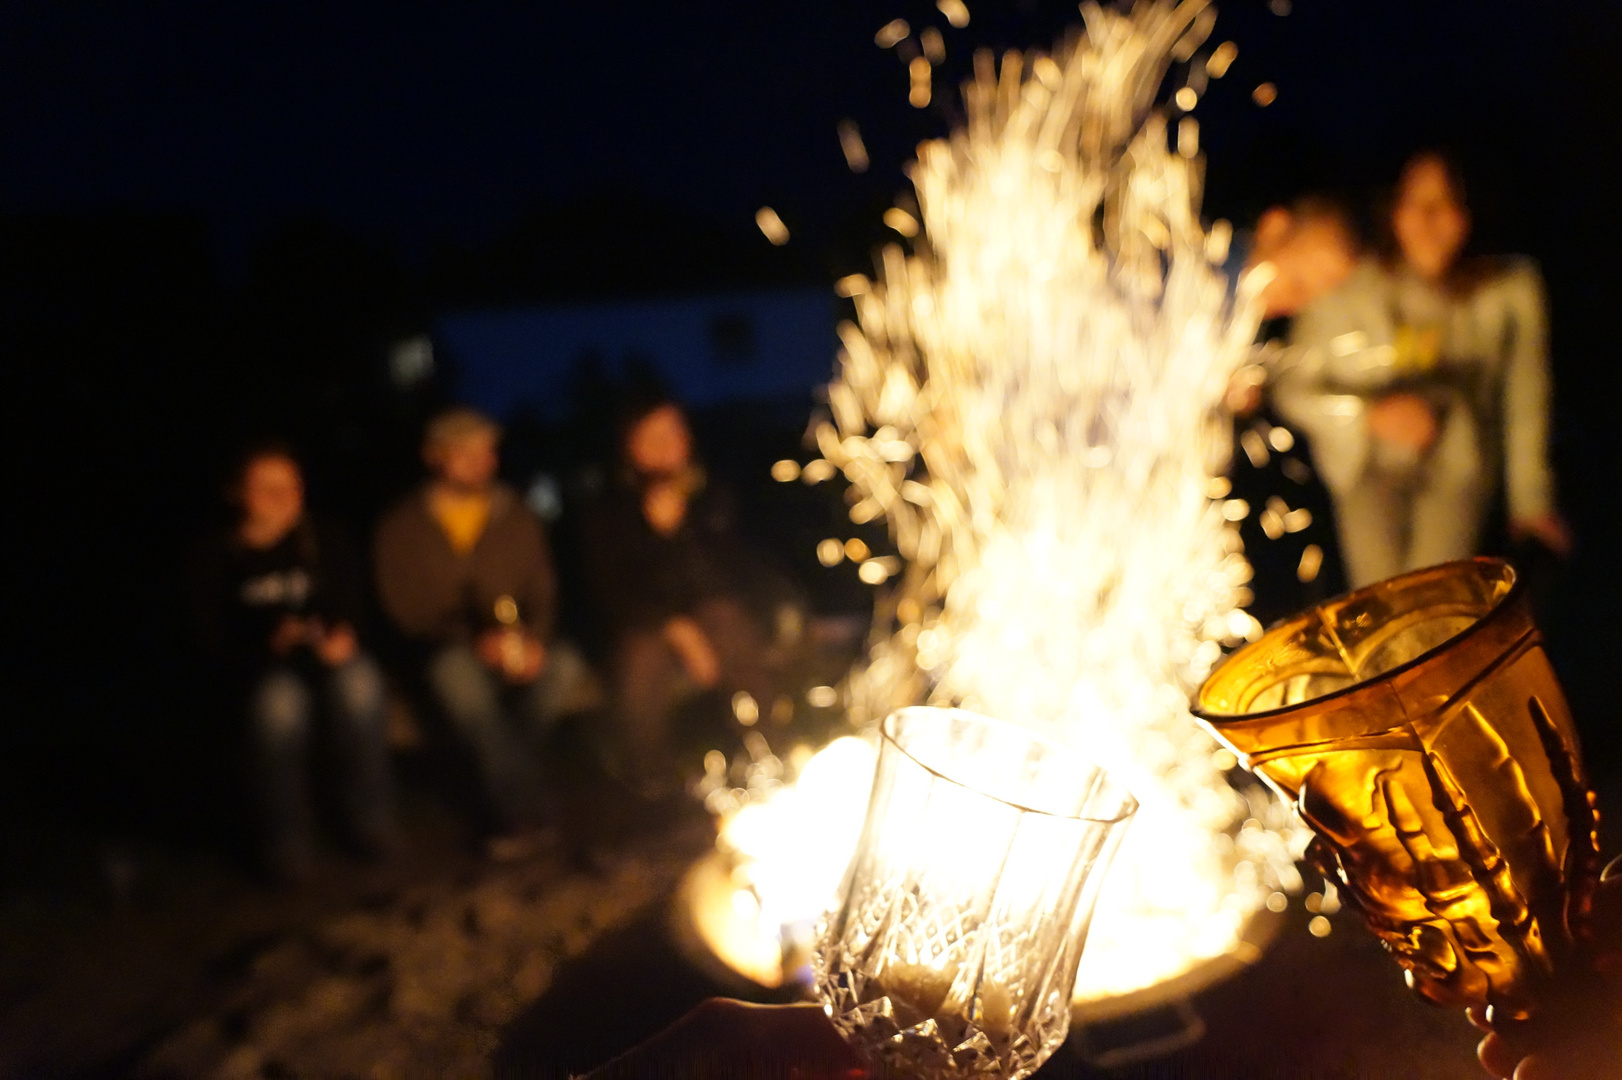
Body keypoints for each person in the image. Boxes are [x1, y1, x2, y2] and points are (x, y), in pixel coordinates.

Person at [1278, 152, 1569, 588]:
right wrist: (1368, 414)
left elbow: (1526, 392)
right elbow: (1289, 385)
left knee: (1432, 598)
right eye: (1416, 201)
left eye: (1446, 201)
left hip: (1459, 463)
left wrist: (1532, 501)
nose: (1429, 220)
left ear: (1470, 212)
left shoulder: (1508, 290)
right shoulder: (1347, 287)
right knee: (1381, 602)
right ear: (1393, 209)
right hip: (1367, 469)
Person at [374, 407, 594, 855]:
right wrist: (474, 641)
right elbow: (405, 611)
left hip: (514, 645)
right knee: (458, 676)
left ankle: (500, 795)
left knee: (567, 665)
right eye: (466, 452)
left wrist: (532, 638)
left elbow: (542, 589)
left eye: (487, 451)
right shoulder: (402, 527)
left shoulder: (516, 516)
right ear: (435, 457)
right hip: (443, 654)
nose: (482, 462)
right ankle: (522, 816)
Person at [193, 444, 396, 882]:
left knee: (360, 684)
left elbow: (354, 607)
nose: (282, 498)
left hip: (327, 663)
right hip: (262, 672)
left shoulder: (324, 537)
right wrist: (267, 643)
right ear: (238, 494)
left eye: (291, 487)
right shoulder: (217, 555)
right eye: (267, 488)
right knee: (279, 705)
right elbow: (210, 639)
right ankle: (285, 842)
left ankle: (370, 822)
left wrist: (342, 634)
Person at [580, 396, 779, 797]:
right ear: (629, 446)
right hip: (644, 626)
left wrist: (680, 533)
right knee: (642, 658)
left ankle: (767, 750)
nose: (666, 445)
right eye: (651, 436)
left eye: (673, 432)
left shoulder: (710, 498)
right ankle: (650, 783)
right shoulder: (609, 510)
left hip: (713, 619)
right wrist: (677, 626)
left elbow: (727, 577)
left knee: (727, 621)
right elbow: (616, 594)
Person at [1223, 196, 1361, 624]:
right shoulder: (1195, 284)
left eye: (1313, 295)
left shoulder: (1250, 316)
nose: (1298, 302)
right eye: (1300, 283)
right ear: (1274, 228)